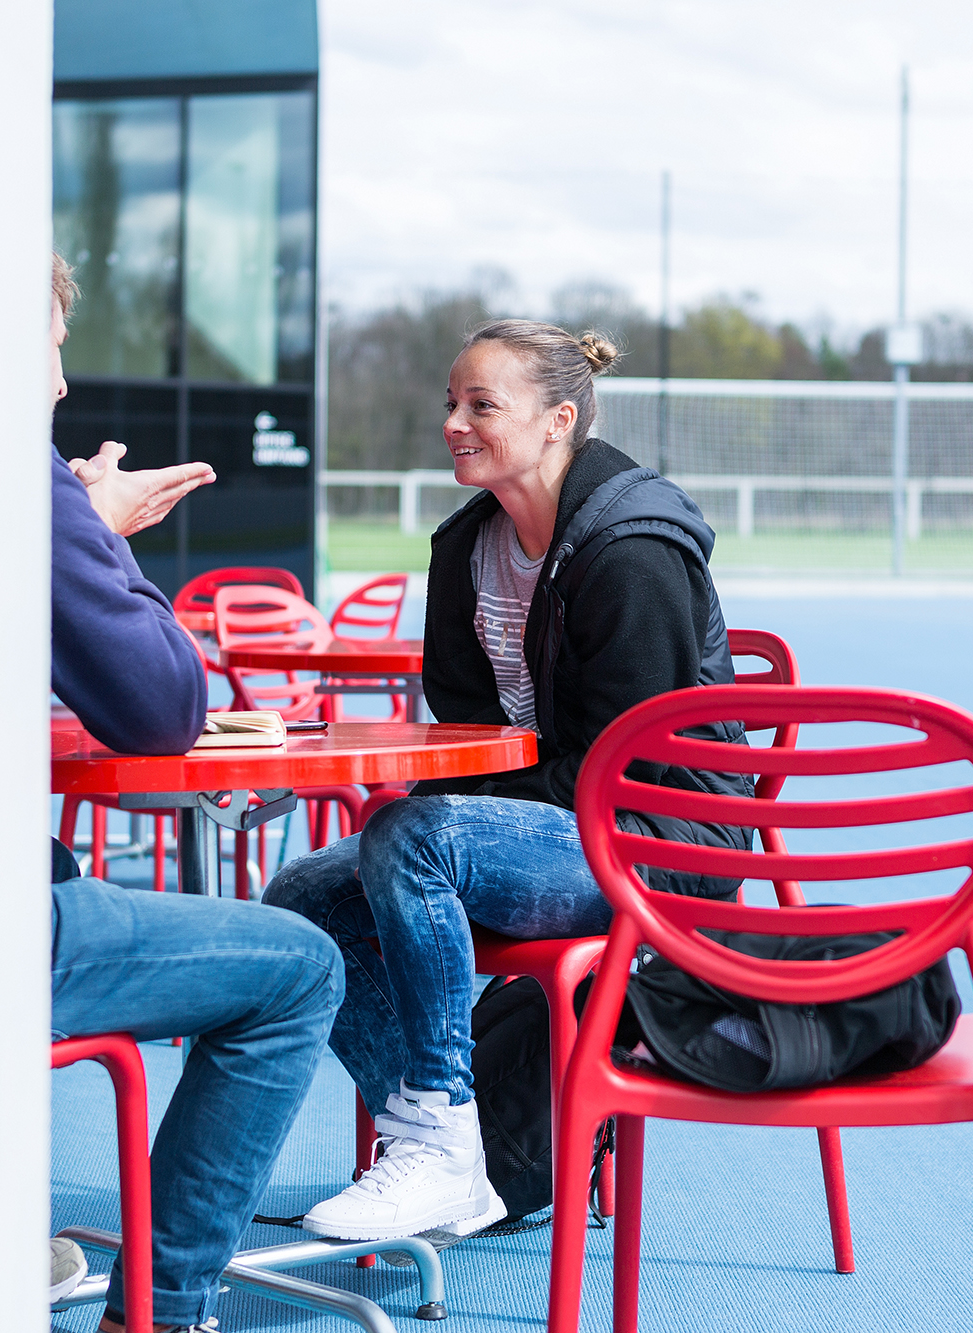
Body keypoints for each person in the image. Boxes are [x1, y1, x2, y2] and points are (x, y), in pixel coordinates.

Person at [262, 319, 752, 1243]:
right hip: (541, 826)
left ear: (558, 419)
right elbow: (469, 737)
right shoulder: (466, 552)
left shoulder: (633, 549)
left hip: (656, 840)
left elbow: (631, 764)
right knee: (302, 894)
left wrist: (447, 815)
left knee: (414, 838)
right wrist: (447, 803)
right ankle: (457, 1143)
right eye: (451, 401)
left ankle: (450, 1146)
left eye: (481, 404)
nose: (454, 420)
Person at [46, 253, 345, 1333]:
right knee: (301, 965)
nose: (63, 385)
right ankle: (165, 1312)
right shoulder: (12, 481)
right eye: (51, 345)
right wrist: (88, 527)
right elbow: (165, 709)